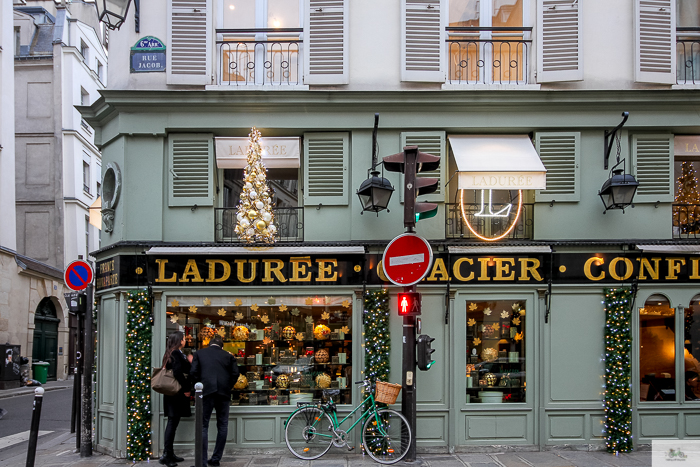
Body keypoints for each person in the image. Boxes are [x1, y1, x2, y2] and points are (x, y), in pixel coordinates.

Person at [190, 335, 239, 467]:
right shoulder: (228, 356)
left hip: (205, 392)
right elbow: (236, 373)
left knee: (203, 425)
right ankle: (216, 458)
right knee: (222, 425)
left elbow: (193, 372)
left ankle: (202, 460)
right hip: (223, 393)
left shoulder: (200, 354)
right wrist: (228, 385)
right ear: (221, 346)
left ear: (209, 344)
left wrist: (198, 386)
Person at [160, 331, 191, 467]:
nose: (185, 340)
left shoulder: (169, 353)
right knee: (172, 423)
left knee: (172, 423)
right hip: (176, 394)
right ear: (179, 340)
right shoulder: (176, 353)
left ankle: (169, 453)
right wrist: (186, 389)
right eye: (183, 338)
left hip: (170, 394)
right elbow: (178, 372)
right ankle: (167, 455)